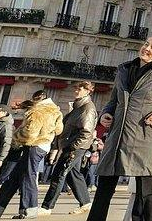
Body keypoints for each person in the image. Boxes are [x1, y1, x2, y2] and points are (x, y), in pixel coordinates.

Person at [88, 33, 152, 221]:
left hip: (142, 137)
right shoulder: (123, 70)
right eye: (146, 44)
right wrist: (105, 114)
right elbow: (114, 100)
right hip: (116, 138)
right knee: (104, 190)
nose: (146, 48)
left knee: (146, 192)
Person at [0, 90, 64, 220]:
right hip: (43, 145)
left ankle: (28, 210)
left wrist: (15, 138)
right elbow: (59, 130)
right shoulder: (55, 110)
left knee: (28, 177)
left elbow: (30, 133)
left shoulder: (37, 111)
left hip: (33, 145)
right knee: (14, 178)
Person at [43, 80, 98, 214]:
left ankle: (47, 207)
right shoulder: (78, 107)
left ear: (87, 91)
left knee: (59, 174)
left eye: (79, 89)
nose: (75, 91)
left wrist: (73, 148)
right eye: (76, 89)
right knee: (73, 174)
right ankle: (85, 203)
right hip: (71, 145)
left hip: (75, 146)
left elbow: (86, 131)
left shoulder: (87, 108)